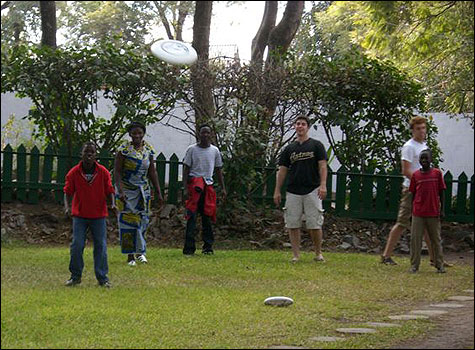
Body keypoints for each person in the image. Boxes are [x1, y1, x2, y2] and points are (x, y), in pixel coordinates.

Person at [380, 116, 452, 267]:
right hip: (412, 189)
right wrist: (420, 181)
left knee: (428, 223)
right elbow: (406, 170)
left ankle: (435, 259)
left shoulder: (424, 146)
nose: (422, 131)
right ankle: (386, 256)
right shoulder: (409, 147)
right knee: (402, 222)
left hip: (424, 189)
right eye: (418, 129)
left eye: (423, 128)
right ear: (413, 130)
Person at [273, 115, 327, 263]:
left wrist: (323, 185)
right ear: (294, 127)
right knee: (292, 224)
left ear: (307, 127)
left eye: (303, 124)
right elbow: (282, 170)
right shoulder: (289, 149)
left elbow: (322, 166)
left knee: (314, 224)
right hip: (293, 191)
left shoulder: (317, 146)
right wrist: (277, 190)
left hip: (312, 189)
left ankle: (318, 253)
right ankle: (296, 255)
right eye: (297, 124)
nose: (300, 126)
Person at [63, 142, 115, 288]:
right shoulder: (74, 172)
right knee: (77, 244)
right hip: (80, 215)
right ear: (82, 154)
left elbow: (110, 190)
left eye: (92, 152)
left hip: (98, 215)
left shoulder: (103, 172)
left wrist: (112, 204)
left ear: (95, 155)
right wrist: (67, 207)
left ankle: (102, 278)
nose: (89, 155)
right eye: (86, 152)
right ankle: (75, 276)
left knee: (101, 246)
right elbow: (67, 192)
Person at [114, 121, 163, 266]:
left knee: (143, 221)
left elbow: (152, 172)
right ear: (130, 134)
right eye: (134, 133)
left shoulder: (149, 149)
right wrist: (120, 190)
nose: (137, 136)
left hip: (143, 191)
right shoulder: (124, 149)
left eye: (140, 133)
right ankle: (130, 256)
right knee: (129, 222)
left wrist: (158, 192)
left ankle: (141, 252)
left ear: (143, 134)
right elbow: (117, 171)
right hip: (127, 190)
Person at [182, 124, 226, 256]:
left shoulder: (215, 151)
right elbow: (186, 169)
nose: (205, 135)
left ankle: (208, 247)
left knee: (207, 217)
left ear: (211, 135)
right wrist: (185, 187)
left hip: (208, 186)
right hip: (194, 187)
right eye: (203, 133)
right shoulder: (192, 150)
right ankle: (189, 248)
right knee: (192, 218)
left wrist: (223, 188)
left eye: (208, 133)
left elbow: (218, 170)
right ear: (199, 134)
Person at [408, 149, 446, 273]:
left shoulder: (436, 174)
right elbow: (413, 194)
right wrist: (411, 211)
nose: (424, 161)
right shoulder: (416, 175)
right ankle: (414, 265)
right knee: (415, 240)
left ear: (430, 160)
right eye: (422, 159)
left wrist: (442, 209)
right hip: (418, 212)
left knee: (435, 239)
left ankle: (439, 264)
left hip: (433, 212)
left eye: (426, 158)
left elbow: (441, 192)